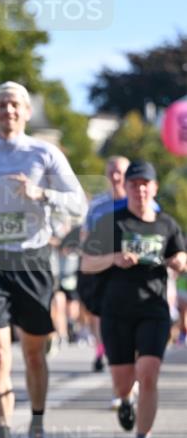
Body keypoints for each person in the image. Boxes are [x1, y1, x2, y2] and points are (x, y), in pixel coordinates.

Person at [0, 81, 86, 438]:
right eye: (1, 105)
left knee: (33, 354)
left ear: (27, 112)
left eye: (15, 104)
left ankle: (37, 429)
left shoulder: (44, 152)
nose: (8, 111)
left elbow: (79, 204)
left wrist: (41, 194)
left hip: (33, 260)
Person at [81, 160, 185, 438]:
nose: (140, 190)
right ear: (125, 188)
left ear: (154, 188)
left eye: (145, 184)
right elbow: (86, 263)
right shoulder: (111, 223)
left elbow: (180, 254)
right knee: (123, 382)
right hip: (116, 311)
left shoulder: (166, 224)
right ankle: (126, 401)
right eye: (134, 184)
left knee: (148, 373)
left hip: (153, 309)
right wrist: (113, 258)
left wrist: (180, 261)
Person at [85, 156, 129, 372]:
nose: (115, 176)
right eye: (111, 172)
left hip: (131, 270)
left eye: (120, 172)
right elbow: (86, 235)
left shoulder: (140, 201)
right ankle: (101, 349)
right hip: (102, 268)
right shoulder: (97, 205)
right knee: (99, 314)